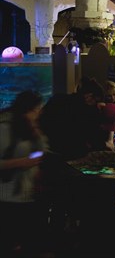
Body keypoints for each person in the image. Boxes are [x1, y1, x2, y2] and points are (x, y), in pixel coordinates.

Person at [0, 91, 48, 256]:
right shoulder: (5, 128)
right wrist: (22, 162)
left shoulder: (30, 128)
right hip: (7, 196)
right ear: (27, 109)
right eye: (37, 109)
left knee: (28, 243)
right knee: (10, 244)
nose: (39, 113)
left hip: (28, 193)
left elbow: (41, 150)